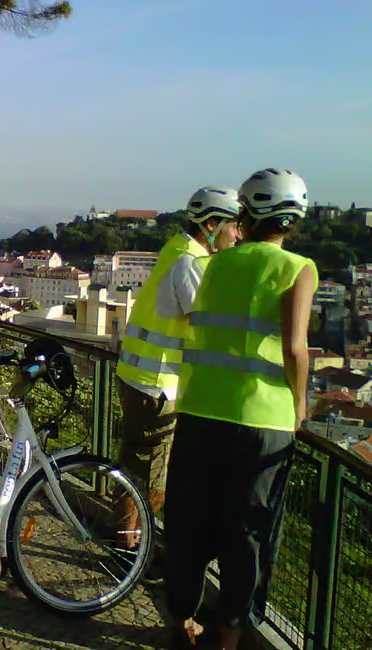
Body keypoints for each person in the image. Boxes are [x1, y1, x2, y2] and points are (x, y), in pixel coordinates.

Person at [163, 169, 316, 650]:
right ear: (293, 221)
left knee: (190, 524)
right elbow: (295, 347)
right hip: (261, 422)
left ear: (246, 214)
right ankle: (229, 636)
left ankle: (179, 624)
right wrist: (301, 403)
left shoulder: (215, 264)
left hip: (200, 409)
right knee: (248, 531)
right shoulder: (298, 268)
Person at [113, 186, 242, 572]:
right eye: (234, 227)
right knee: (155, 476)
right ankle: (135, 551)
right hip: (158, 385)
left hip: (138, 375)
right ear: (213, 223)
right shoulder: (192, 264)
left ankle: (124, 543)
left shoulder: (177, 250)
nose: (237, 236)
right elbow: (209, 326)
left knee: (134, 464)